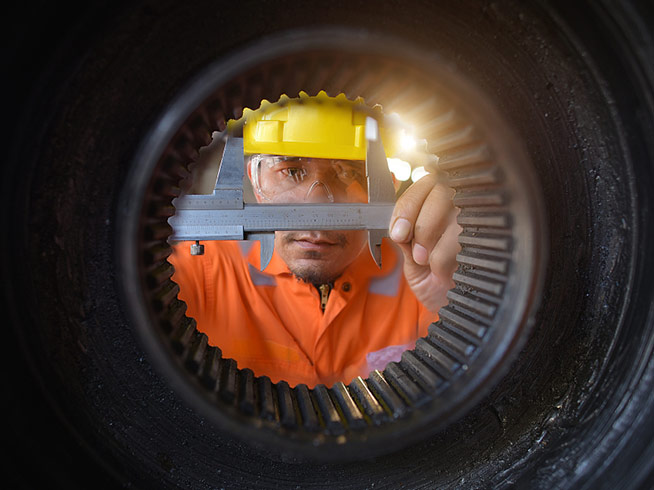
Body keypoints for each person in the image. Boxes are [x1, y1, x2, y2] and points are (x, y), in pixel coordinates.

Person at [169, 91, 460, 388]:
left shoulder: (429, 277)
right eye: (292, 171)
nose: (317, 203)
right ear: (256, 183)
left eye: (348, 173)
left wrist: (455, 308)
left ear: (388, 189)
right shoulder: (192, 277)